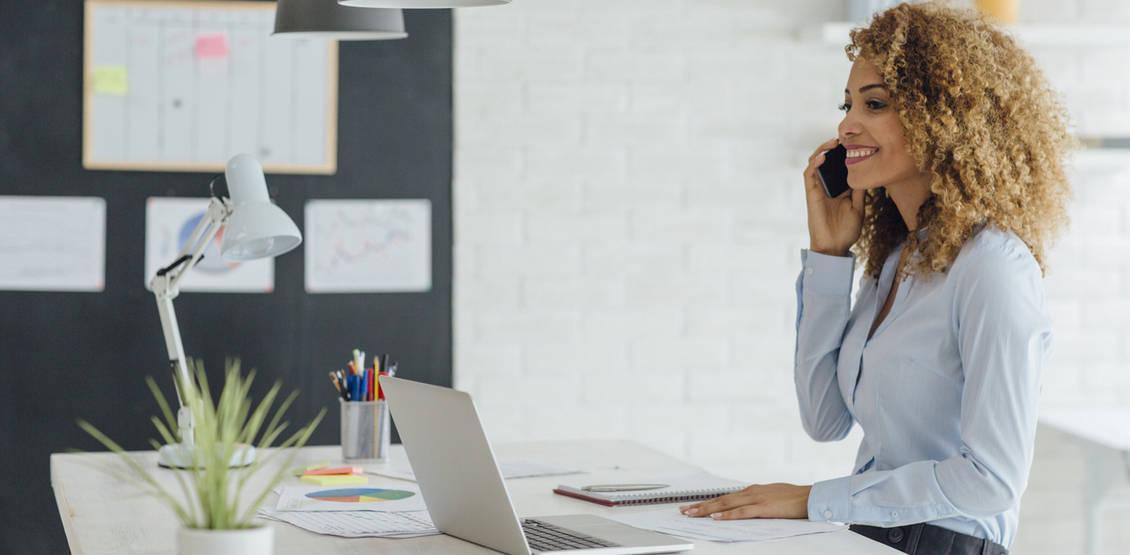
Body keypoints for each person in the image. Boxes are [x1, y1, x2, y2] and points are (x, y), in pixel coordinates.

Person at [678, 3, 1073, 554]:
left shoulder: (991, 269)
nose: (846, 125)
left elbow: (992, 481)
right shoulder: (896, 261)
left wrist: (814, 499)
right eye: (848, 104)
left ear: (945, 116)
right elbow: (824, 419)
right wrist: (830, 258)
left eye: (876, 104)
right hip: (873, 536)